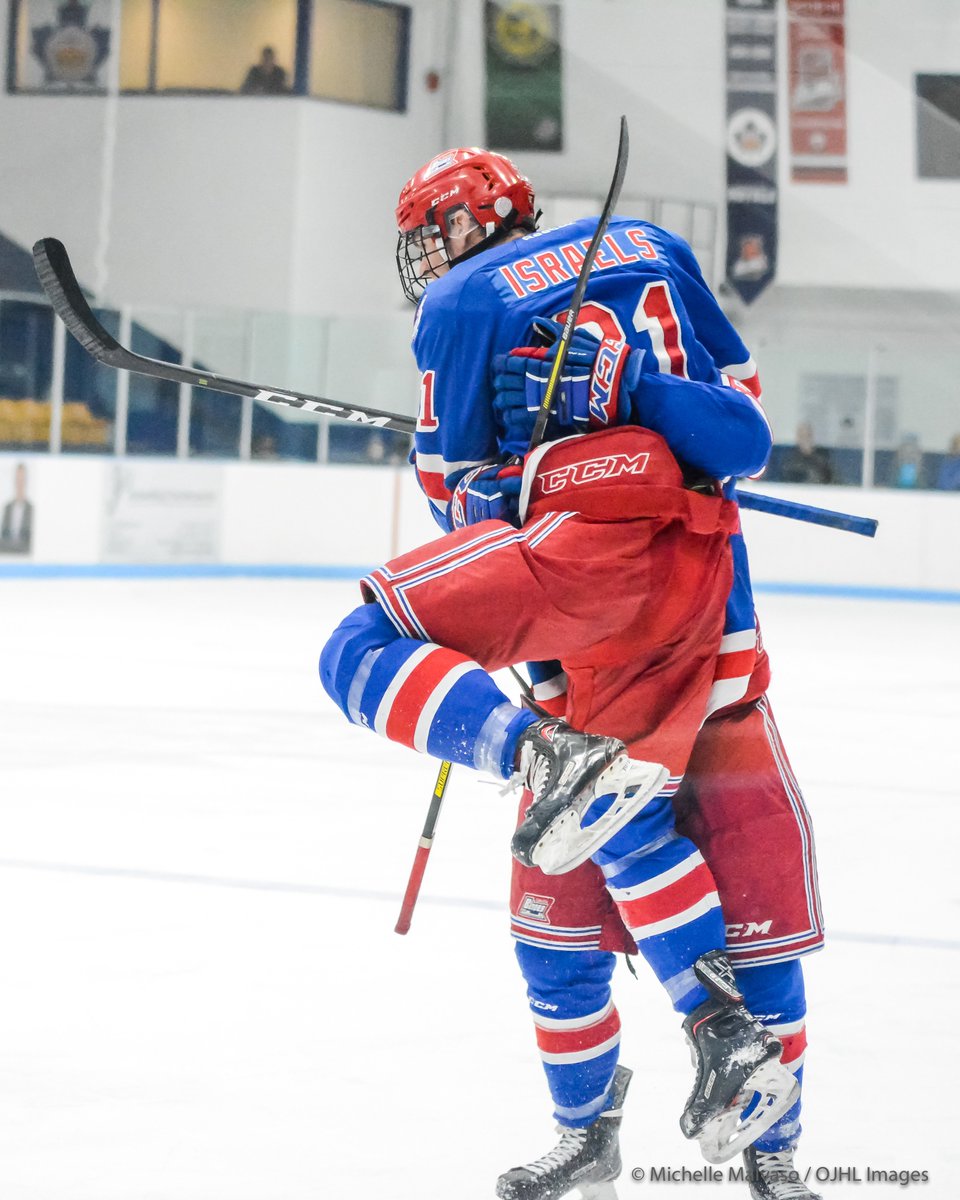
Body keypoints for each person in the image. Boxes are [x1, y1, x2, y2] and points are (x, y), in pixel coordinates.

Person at [319, 149, 821, 1200]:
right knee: (746, 918)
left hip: (582, 641)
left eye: (429, 234)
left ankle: (606, 1120)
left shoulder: (460, 302)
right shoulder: (660, 248)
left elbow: (463, 508)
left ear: (463, 227)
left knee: (564, 914)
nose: (423, 258)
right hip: (717, 623)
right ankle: (768, 1167)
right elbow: (742, 428)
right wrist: (625, 422)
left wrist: (521, 468)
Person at [1, 462, 34, 554]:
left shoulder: (31, 508)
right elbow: (4, 532)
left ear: (26, 481)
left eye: (22, 479)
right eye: (18, 479)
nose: (20, 482)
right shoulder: (7, 507)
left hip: (24, 549)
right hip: (7, 549)